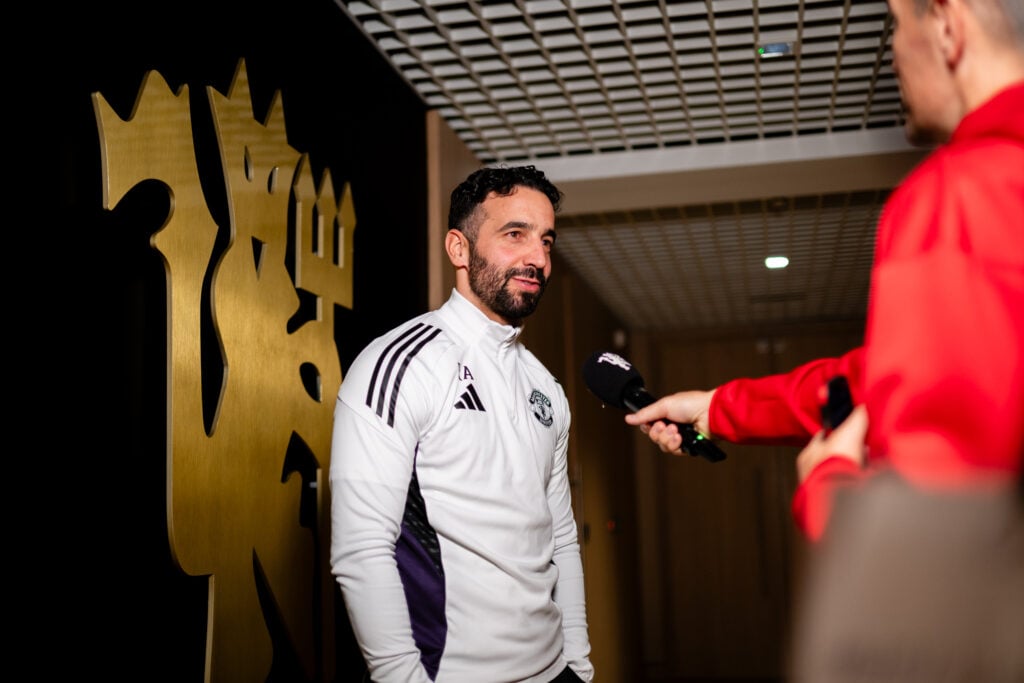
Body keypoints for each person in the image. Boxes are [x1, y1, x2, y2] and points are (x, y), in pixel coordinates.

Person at [625, 0, 1024, 542]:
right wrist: (718, 409)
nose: (891, 55)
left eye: (896, 27)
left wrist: (827, 487)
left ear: (948, 28)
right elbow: (879, 382)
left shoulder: (959, 195)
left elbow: (928, 546)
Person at [329, 165, 594, 682]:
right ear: (459, 248)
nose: (537, 258)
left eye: (545, 240)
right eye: (514, 235)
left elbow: (561, 539)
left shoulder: (547, 389)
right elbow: (361, 550)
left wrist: (578, 665)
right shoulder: (400, 365)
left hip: (554, 672)